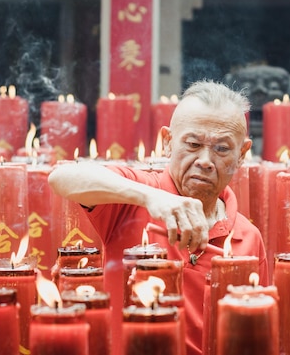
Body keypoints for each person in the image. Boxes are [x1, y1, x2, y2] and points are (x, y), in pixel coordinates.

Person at [48, 80, 268, 355]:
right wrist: (151, 197)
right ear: (167, 142)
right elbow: (62, 178)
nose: (205, 159)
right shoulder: (133, 197)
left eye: (222, 148)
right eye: (193, 143)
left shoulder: (248, 237)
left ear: (242, 155)